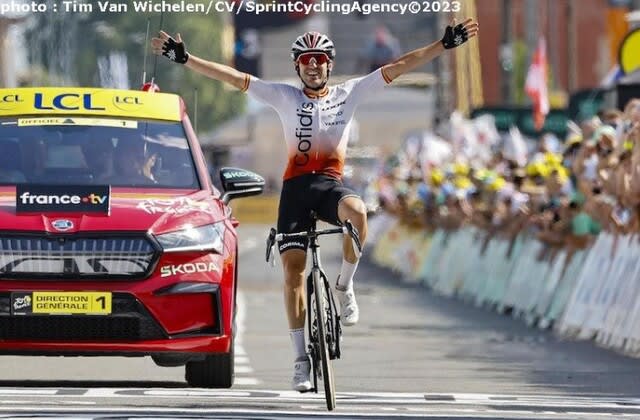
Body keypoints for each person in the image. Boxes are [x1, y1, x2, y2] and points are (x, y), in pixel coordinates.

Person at [152, 18, 478, 392]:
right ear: (297, 66)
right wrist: (187, 58)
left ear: (329, 64)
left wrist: (442, 45)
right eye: (306, 59)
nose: (313, 65)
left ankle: (344, 286)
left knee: (357, 213)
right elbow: (234, 77)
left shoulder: (349, 93)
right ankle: (300, 361)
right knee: (293, 274)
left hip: (329, 186)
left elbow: (400, 65)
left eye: (320, 59)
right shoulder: (284, 97)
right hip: (295, 190)